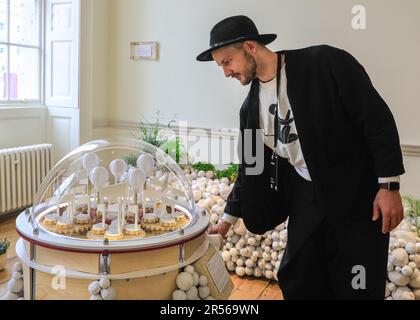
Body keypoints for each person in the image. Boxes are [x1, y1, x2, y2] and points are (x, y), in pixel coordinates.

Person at [196, 15, 405, 300]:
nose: (226, 72)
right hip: (306, 195)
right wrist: (228, 220)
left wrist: (389, 186)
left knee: (358, 282)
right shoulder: (250, 109)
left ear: (249, 47)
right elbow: (251, 166)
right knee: (298, 276)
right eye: (221, 65)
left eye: (227, 61)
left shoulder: (325, 63)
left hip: (356, 194)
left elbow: (377, 121)